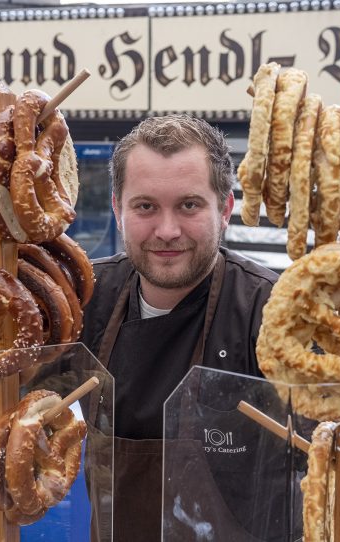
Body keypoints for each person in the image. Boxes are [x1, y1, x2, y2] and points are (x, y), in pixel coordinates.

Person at [79, 114, 280, 541]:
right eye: (145, 206)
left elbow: (329, 464)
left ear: (225, 209)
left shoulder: (273, 312)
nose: (167, 231)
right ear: (118, 209)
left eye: (189, 205)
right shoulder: (82, 298)